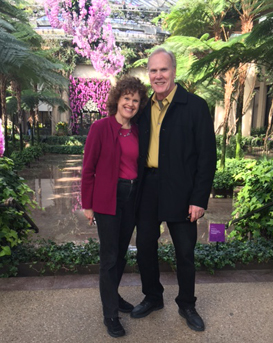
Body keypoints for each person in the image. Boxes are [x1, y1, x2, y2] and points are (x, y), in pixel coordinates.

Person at [130, 48, 217, 332]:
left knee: (184, 252)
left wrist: (199, 199)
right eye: (153, 71)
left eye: (163, 70)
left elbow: (207, 157)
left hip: (182, 189)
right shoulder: (142, 108)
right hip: (148, 188)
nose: (158, 76)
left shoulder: (195, 106)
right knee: (144, 246)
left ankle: (187, 304)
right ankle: (153, 297)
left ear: (174, 71)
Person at [81, 75, 148, 338]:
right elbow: (88, 170)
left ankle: (113, 295)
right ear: (117, 99)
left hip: (132, 198)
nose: (130, 103)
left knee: (120, 254)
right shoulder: (100, 128)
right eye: (126, 98)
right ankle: (110, 313)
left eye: (135, 100)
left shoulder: (138, 131)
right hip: (108, 198)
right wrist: (88, 205)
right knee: (109, 257)